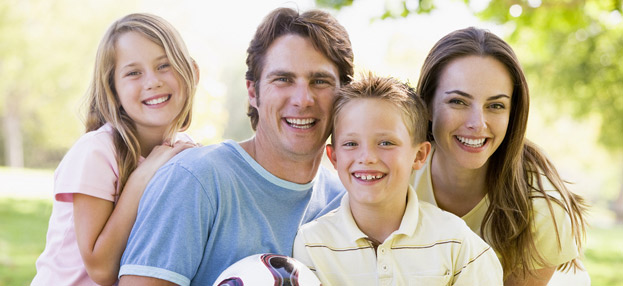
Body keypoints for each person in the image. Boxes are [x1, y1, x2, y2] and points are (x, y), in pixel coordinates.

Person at [118, 7, 354, 285]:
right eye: (283, 79)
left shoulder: (346, 202)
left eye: (320, 81)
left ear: (344, 95)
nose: (303, 99)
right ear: (253, 92)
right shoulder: (195, 181)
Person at [411, 27, 589, 285]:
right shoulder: (397, 177)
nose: (478, 123)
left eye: (495, 106)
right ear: (426, 104)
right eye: (458, 102)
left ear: (512, 113)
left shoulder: (542, 207)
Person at [32, 13, 199, 286]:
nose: (152, 81)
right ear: (113, 88)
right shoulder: (96, 152)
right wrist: (143, 176)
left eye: (164, 65)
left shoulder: (184, 153)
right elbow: (101, 269)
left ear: (192, 73)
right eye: (133, 72)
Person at [293, 73, 503, 285]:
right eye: (351, 144)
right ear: (334, 157)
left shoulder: (456, 243)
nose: (367, 158)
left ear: (419, 155)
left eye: (386, 143)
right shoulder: (312, 245)